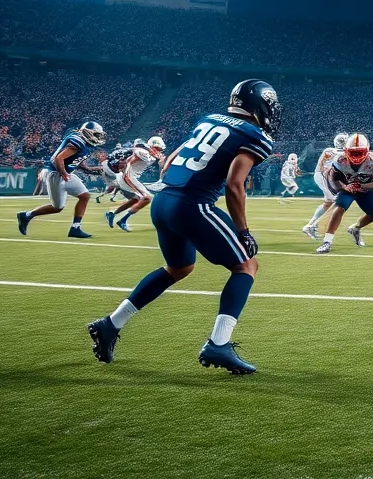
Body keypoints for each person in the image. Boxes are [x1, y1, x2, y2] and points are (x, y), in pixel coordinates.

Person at [86, 79, 278, 375]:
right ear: (259, 104)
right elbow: (234, 184)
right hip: (193, 205)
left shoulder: (209, 120)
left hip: (164, 201)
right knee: (246, 266)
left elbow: (170, 162)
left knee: (179, 268)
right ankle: (218, 343)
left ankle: (111, 324)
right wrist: (243, 231)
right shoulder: (253, 135)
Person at [17, 121, 106, 239]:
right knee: (57, 207)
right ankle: (26, 215)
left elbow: (75, 160)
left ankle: (75, 228)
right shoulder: (78, 142)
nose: (98, 138)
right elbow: (59, 158)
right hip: (56, 174)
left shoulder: (85, 144)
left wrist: (88, 169)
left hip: (65, 173)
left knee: (85, 196)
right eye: (96, 134)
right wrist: (64, 174)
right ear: (88, 133)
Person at [315, 133, 373, 254]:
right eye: (353, 152)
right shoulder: (340, 160)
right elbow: (334, 178)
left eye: (360, 152)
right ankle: (327, 241)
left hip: (365, 190)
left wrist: (363, 186)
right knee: (339, 208)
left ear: (367, 150)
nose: (356, 156)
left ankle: (356, 228)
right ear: (346, 150)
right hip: (348, 189)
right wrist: (344, 187)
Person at [106, 135, 166, 232]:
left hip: (129, 177)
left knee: (135, 199)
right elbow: (132, 156)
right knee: (147, 198)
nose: (158, 151)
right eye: (157, 149)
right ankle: (122, 221)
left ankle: (112, 214)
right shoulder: (144, 152)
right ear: (151, 146)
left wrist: (161, 163)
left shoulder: (150, 156)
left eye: (160, 150)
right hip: (128, 177)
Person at [303, 133, 347, 240]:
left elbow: (320, 164)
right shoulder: (344, 154)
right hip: (327, 177)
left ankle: (311, 224)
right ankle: (311, 226)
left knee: (328, 203)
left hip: (319, 175)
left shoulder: (328, 150)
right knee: (339, 202)